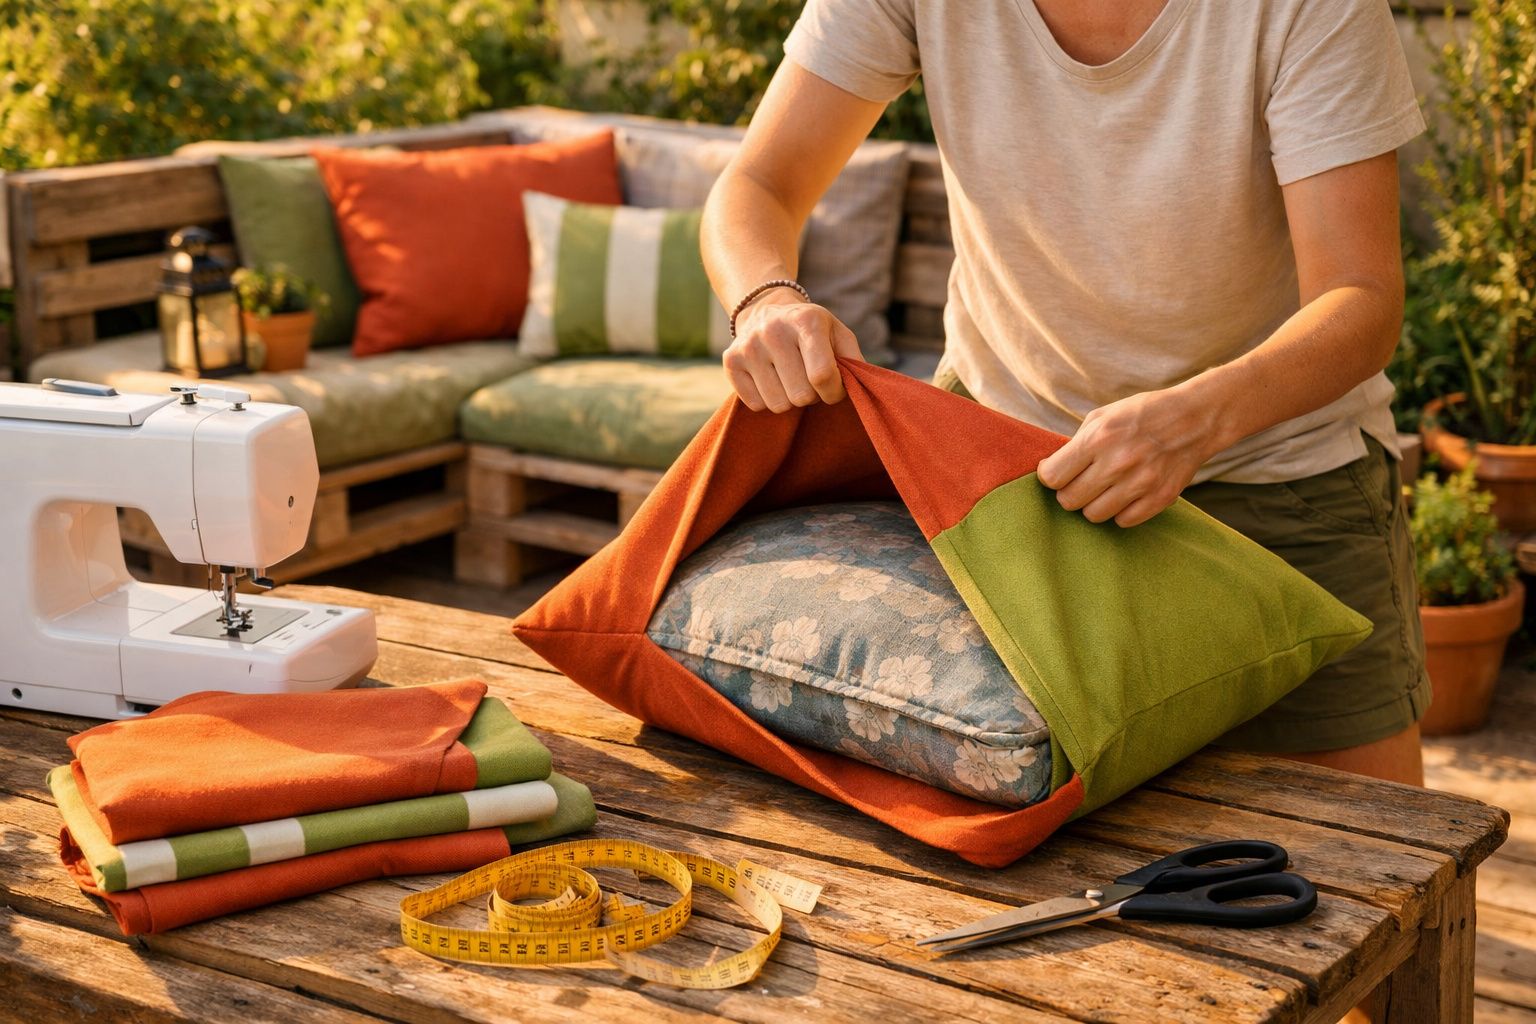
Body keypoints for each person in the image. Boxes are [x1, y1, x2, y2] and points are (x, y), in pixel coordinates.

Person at [700, 0, 1430, 800]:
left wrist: (1196, 420)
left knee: (1384, 863)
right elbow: (760, 182)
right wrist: (765, 300)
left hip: (1280, 478)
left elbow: (1362, 298)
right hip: (1011, 479)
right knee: (1030, 845)